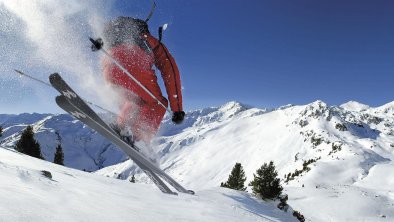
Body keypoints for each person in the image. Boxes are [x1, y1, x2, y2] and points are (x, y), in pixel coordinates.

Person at [101, 16, 185, 146]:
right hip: (132, 66)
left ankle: (120, 127)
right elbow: (171, 72)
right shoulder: (150, 41)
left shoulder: (115, 37)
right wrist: (177, 109)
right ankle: (139, 141)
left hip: (108, 70)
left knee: (136, 101)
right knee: (158, 103)